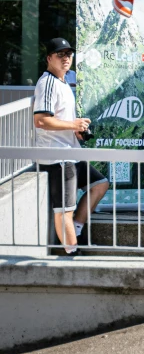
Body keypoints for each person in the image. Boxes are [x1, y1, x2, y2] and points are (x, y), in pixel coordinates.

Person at [33, 38, 109, 253]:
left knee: (100, 184)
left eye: (69, 54)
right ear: (49, 58)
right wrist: (72, 124)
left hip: (70, 152)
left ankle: (76, 231)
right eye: (60, 54)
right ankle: (71, 253)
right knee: (64, 210)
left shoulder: (63, 81)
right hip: (57, 157)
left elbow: (58, 118)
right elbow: (41, 120)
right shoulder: (47, 82)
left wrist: (77, 129)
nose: (66, 58)